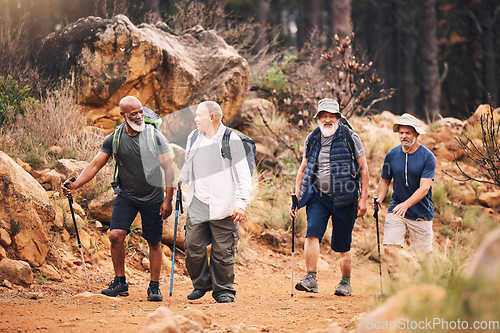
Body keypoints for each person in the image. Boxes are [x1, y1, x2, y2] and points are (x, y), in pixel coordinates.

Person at [62, 96, 175, 301]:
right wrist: (75, 185)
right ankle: (120, 282)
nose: (139, 116)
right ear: (123, 115)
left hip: (153, 197)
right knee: (115, 236)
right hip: (127, 195)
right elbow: (95, 165)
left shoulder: (154, 136)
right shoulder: (113, 138)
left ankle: (154, 286)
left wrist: (168, 200)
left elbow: (169, 167)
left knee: (154, 241)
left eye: (141, 111)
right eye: (134, 113)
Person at [290, 98, 369, 296]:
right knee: (312, 233)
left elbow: (363, 168)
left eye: (331, 116)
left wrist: (363, 199)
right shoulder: (313, 138)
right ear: (318, 118)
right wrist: (296, 199)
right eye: (323, 116)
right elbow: (303, 169)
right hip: (319, 196)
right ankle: (311, 278)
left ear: (338, 118)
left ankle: (345, 283)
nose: (327, 120)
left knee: (342, 243)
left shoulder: (350, 137)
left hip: (345, 197)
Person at [178, 101, 252, 303]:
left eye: (199, 115)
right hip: (198, 202)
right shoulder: (193, 137)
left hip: (225, 204)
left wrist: (241, 203)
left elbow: (244, 176)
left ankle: (223, 290)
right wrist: (182, 177)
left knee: (223, 251)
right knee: (192, 247)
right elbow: (188, 163)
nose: (195, 119)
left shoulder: (231, 139)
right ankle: (201, 284)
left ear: (212, 117)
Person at [373, 113, 435, 254]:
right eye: (401, 133)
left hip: (421, 212)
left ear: (416, 134)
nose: (403, 136)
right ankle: (395, 276)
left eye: (408, 133)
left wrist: (406, 205)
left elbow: (425, 188)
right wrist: (380, 198)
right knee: (390, 251)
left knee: (423, 259)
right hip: (397, 208)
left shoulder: (428, 157)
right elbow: (384, 180)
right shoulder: (391, 155)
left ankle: (416, 274)